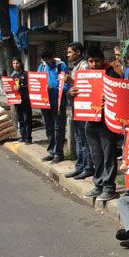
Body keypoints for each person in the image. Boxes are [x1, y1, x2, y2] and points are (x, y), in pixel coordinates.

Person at [69, 46, 120, 202]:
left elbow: (119, 97)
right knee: (96, 155)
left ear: (102, 60)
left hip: (106, 122)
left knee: (108, 156)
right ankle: (98, 185)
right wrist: (70, 93)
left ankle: (109, 187)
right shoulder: (84, 76)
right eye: (90, 61)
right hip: (90, 121)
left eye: (96, 61)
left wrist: (109, 99)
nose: (93, 64)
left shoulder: (112, 75)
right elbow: (75, 94)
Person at [65, 42, 95, 180]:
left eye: (70, 52)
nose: (68, 55)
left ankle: (88, 167)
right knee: (78, 139)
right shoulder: (76, 66)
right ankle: (80, 166)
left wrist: (71, 82)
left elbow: (86, 87)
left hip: (84, 109)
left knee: (84, 139)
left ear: (78, 52)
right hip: (76, 107)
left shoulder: (84, 65)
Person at [38, 48, 70, 164]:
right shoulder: (42, 67)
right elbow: (37, 81)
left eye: (49, 61)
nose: (47, 63)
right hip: (45, 102)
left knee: (58, 128)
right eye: (45, 61)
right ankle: (51, 152)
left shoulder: (61, 66)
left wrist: (54, 89)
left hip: (58, 103)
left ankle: (59, 153)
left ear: (52, 57)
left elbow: (67, 85)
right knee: (49, 128)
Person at [10, 57, 32, 144]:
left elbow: (31, 86)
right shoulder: (14, 76)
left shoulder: (26, 74)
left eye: (17, 63)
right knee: (21, 119)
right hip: (18, 101)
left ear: (21, 64)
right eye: (14, 63)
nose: (15, 65)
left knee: (27, 118)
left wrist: (21, 87)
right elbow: (13, 87)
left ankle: (28, 138)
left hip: (26, 100)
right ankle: (23, 136)